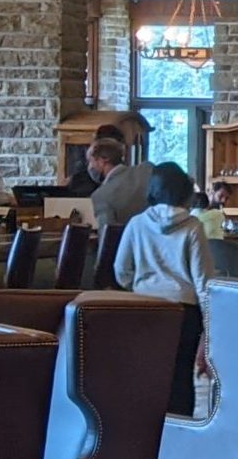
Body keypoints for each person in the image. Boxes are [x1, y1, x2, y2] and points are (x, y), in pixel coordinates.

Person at [113, 161, 210, 417]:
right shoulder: (193, 227)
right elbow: (203, 282)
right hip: (184, 310)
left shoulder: (136, 223)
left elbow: (121, 270)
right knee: (181, 379)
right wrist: (209, 330)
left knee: (145, 375)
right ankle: (178, 431)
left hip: (144, 307)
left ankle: (145, 430)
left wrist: (140, 285)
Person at [85, 136, 151, 238]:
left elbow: (107, 238)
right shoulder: (147, 170)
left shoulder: (101, 196)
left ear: (103, 160)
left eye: (91, 161)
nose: (90, 166)